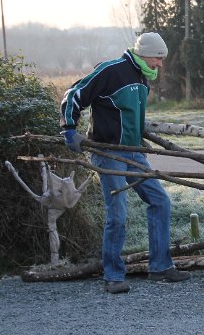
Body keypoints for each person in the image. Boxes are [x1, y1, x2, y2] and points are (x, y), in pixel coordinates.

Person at [60, 32, 191, 294]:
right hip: (108, 153)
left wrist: (138, 139)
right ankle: (113, 276)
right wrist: (69, 129)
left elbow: (129, 114)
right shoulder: (111, 71)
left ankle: (160, 267)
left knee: (160, 201)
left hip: (133, 153)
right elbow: (73, 94)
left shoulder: (143, 76)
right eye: (158, 58)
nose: (160, 64)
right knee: (118, 213)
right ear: (144, 54)